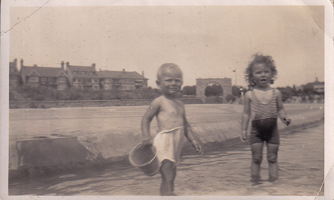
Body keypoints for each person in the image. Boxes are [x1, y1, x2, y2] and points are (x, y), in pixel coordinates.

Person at [141, 63, 203, 196]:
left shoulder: (180, 103)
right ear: (159, 83)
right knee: (167, 174)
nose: (173, 83)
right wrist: (146, 136)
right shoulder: (159, 101)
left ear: (182, 83)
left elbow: (185, 124)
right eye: (169, 80)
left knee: (172, 174)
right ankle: (168, 195)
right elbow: (146, 119)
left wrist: (193, 140)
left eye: (177, 80)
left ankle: (168, 193)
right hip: (165, 142)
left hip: (177, 142)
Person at [240, 54, 291, 184]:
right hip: (256, 131)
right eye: (258, 72)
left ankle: (273, 184)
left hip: (272, 131)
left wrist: (284, 118)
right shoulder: (249, 94)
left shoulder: (276, 93)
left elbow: (280, 109)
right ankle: (255, 184)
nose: (263, 75)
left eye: (266, 71)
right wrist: (243, 130)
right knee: (256, 158)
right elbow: (246, 113)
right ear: (251, 77)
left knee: (272, 158)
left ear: (272, 74)